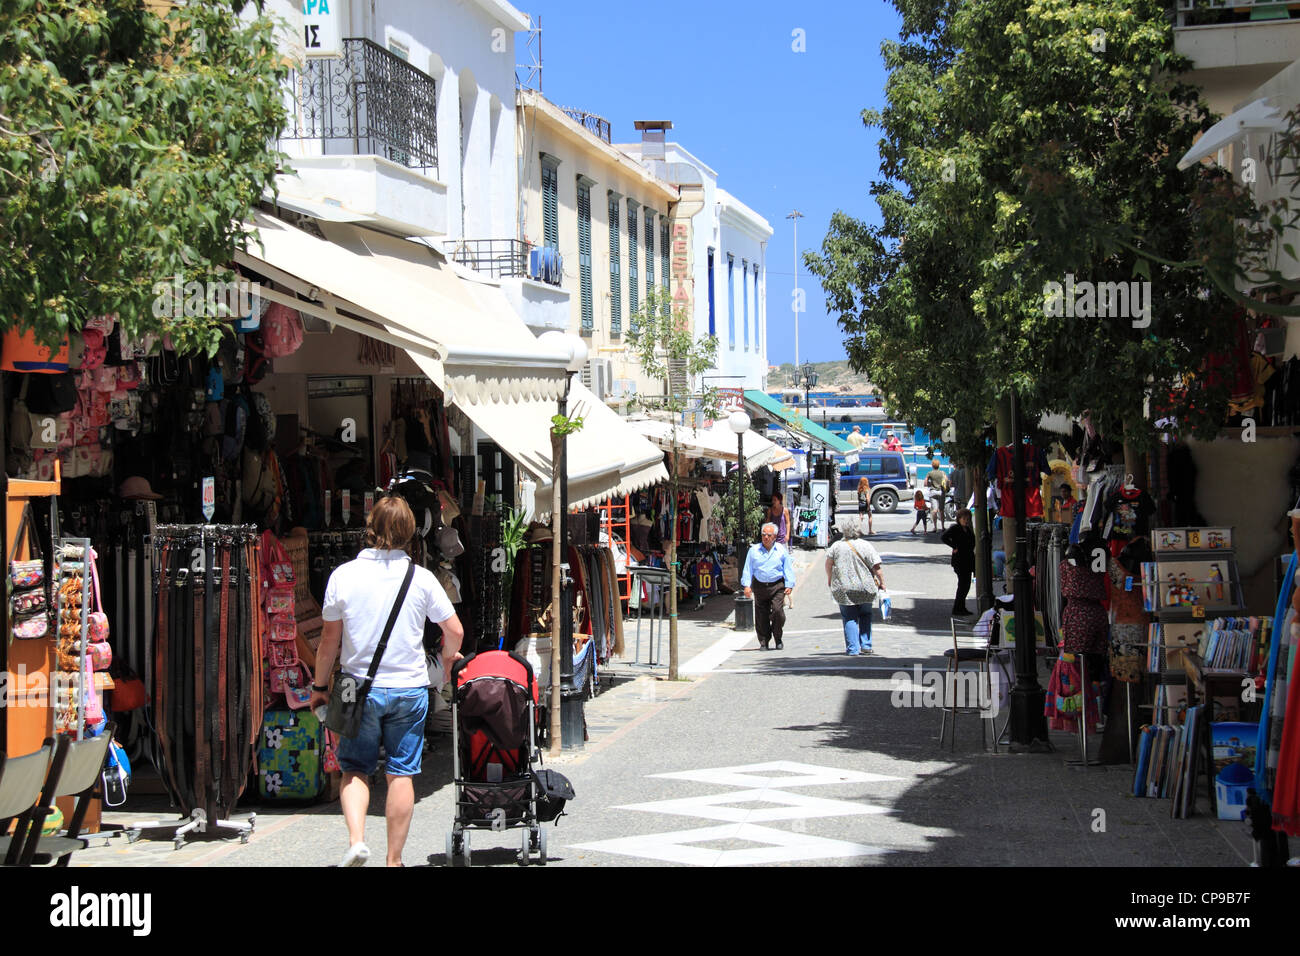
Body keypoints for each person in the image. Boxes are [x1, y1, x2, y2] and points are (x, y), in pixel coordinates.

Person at [309, 495, 465, 867]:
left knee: (354, 768)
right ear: (411, 532)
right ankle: (393, 861)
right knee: (401, 773)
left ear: (370, 528)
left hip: (356, 689)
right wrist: (446, 660)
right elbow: (454, 630)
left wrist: (319, 688)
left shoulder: (343, 576)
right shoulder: (422, 578)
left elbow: (328, 642)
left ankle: (357, 840)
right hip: (409, 690)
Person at [825, 519, 886, 655]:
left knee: (849, 617)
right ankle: (866, 645)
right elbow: (876, 567)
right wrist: (882, 583)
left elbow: (828, 564)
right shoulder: (866, 545)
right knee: (866, 614)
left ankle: (853, 648)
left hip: (844, 588)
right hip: (865, 587)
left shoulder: (836, 546)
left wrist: (830, 579)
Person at [742, 522, 795, 650]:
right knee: (761, 614)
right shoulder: (753, 550)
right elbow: (748, 569)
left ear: (775, 537)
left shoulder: (781, 550)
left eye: (769, 535)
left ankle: (778, 637)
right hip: (760, 585)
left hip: (777, 585)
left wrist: (789, 584)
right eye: (763, 534)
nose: (766, 537)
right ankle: (764, 641)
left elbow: (787, 568)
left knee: (777, 611)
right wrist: (746, 585)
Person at [941, 509, 976, 616]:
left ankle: (961, 607)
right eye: (963, 519)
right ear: (959, 519)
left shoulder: (968, 529)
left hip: (968, 559)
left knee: (966, 585)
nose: (966, 521)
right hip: (960, 561)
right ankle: (957, 608)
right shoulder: (955, 528)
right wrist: (954, 546)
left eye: (967, 519)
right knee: (962, 584)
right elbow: (944, 537)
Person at [924, 459, 950, 531]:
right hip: (941, 492)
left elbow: (925, 483)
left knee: (934, 510)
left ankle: (935, 527)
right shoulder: (942, 473)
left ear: (932, 465)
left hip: (933, 492)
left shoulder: (930, 473)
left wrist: (930, 484)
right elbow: (947, 481)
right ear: (939, 465)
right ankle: (942, 527)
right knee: (941, 510)